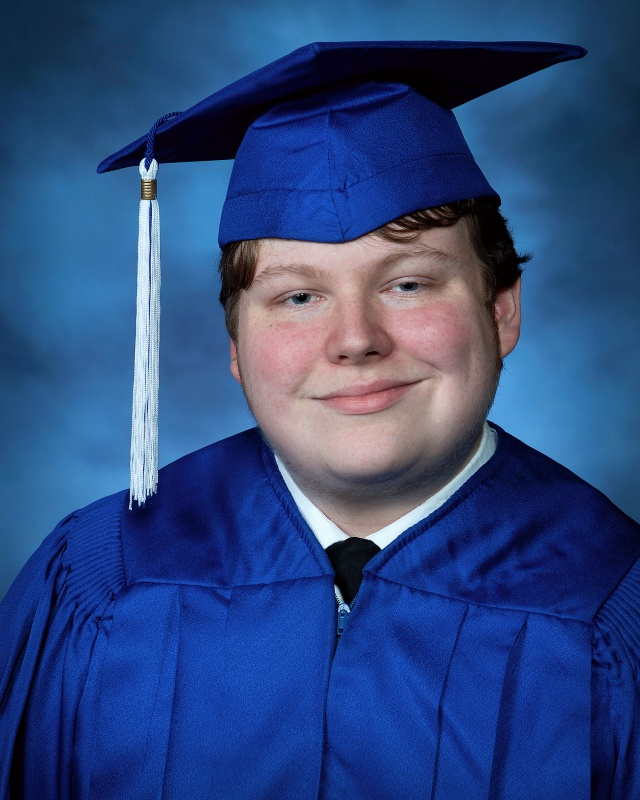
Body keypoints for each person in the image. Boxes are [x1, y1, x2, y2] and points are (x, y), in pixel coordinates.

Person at [1, 40, 639, 800]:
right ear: (236, 345)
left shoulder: (611, 604)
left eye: (407, 283)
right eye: (298, 297)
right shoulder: (98, 581)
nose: (355, 340)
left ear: (502, 313)